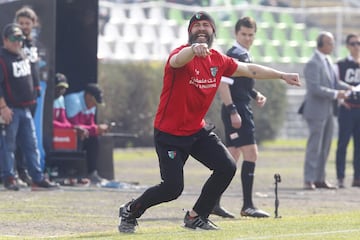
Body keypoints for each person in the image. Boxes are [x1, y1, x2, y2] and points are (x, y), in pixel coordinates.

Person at [117, 11, 300, 233]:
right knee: (172, 188)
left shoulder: (218, 59)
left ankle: (196, 216)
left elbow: (249, 70)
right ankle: (130, 211)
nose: (201, 28)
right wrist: (193, 50)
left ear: (213, 31)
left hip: (196, 130)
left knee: (226, 167)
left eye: (206, 25)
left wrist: (282, 75)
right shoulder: (179, 55)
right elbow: (178, 59)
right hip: (170, 135)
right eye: (196, 26)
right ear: (189, 32)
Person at [214, 16, 269, 219]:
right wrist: (233, 111)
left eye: (251, 35)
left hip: (241, 107)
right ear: (236, 34)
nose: (247, 38)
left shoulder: (244, 53)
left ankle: (212, 203)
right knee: (251, 154)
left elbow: (241, 84)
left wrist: (255, 94)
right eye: (244, 34)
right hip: (237, 111)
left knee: (231, 158)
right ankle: (247, 206)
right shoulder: (235, 54)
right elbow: (224, 84)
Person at [0, 23, 59, 191]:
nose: (17, 42)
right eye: (13, 38)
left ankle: (37, 178)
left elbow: (32, 75)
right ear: (5, 40)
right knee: (8, 146)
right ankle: (9, 177)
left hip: (25, 108)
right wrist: (3, 107)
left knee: (31, 145)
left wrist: (35, 93)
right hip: (10, 109)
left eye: (20, 38)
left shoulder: (22, 55)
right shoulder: (2, 58)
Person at [300, 31, 352, 190]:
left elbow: (334, 82)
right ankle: (309, 178)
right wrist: (337, 94)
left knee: (325, 146)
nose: (333, 46)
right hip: (316, 110)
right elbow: (315, 88)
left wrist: (348, 87)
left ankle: (319, 178)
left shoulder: (328, 61)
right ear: (321, 44)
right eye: (330, 43)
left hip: (329, 109)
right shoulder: (313, 63)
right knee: (314, 145)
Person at [13, 6, 42, 187]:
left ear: (33, 24)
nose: (24, 26)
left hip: (32, 96)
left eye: (27, 23)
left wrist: (37, 88)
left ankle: (24, 171)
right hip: (16, 98)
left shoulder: (32, 44)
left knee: (27, 138)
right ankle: (13, 172)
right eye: (21, 23)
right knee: (13, 137)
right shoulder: (15, 42)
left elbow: (34, 70)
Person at [64, 83, 109, 184]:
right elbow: (74, 125)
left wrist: (98, 130)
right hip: (67, 134)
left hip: (81, 133)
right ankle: (74, 173)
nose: (94, 105)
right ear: (88, 96)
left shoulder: (91, 104)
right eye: (94, 102)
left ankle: (91, 173)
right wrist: (96, 129)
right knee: (79, 135)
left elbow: (91, 125)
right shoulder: (73, 100)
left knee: (94, 138)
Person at [53, 73, 90, 186]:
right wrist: (71, 128)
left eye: (63, 88)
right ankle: (58, 173)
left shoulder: (60, 99)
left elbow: (64, 120)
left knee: (78, 135)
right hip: (50, 132)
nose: (61, 91)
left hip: (60, 131)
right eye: (58, 88)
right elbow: (49, 123)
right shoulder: (47, 98)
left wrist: (75, 128)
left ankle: (74, 174)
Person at [334, 33, 360, 188]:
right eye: (353, 43)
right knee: (343, 144)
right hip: (347, 109)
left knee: (359, 146)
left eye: (358, 43)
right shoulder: (340, 65)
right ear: (347, 46)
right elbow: (334, 83)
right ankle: (340, 177)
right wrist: (340, 100)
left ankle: (357, 177)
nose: (356, 46)